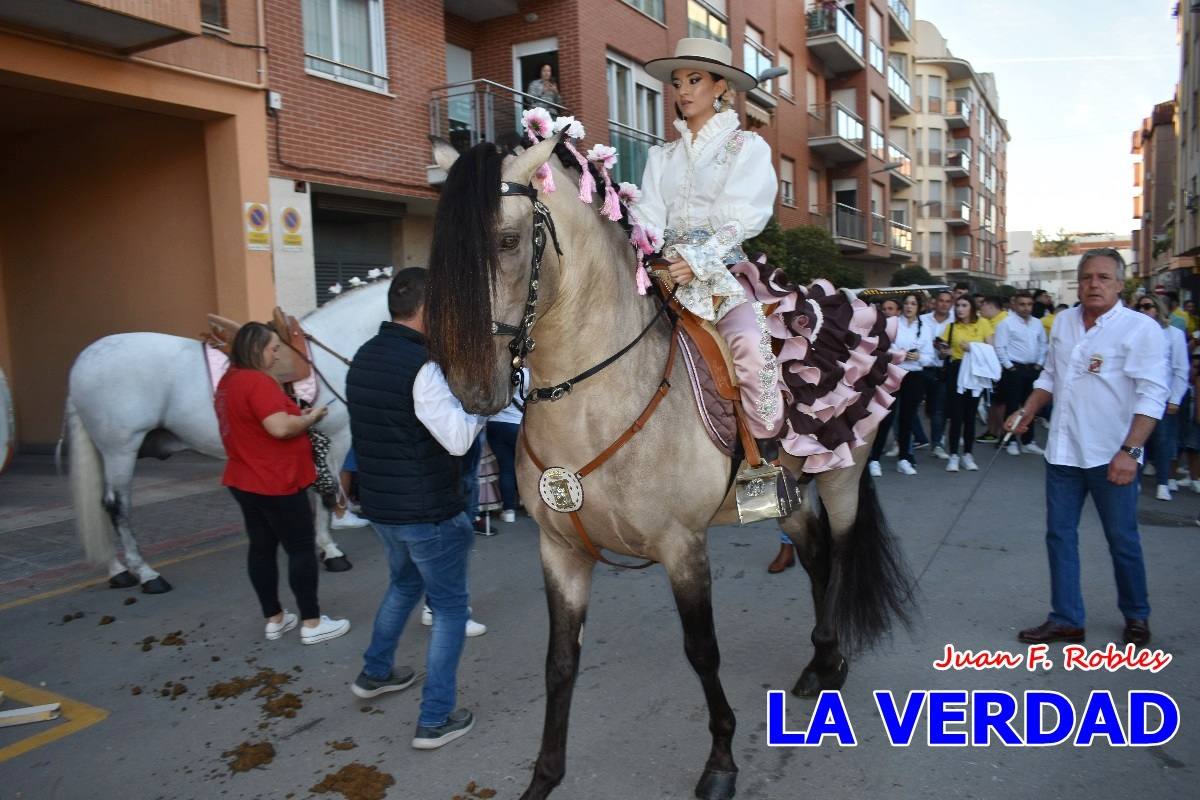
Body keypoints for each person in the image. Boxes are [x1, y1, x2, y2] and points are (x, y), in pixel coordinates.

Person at [638, 38, 903, 489]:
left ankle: (762, 462)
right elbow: (646, 216)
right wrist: (649, 255)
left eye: (695, 80)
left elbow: (745, 215)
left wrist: (696, 259)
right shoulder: (660, 155)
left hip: (719, 273)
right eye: (679, 82)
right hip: (662, 273)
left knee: (747, 341)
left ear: (721, 87)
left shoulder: (747, 147)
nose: (683, 90)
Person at [346, 267, 484, 749]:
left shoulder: (364, 357)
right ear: (429, 310)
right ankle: (435, 717)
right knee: (448, 610)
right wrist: (483, 402)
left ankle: (375, 672)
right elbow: (459, 438)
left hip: (383, 510)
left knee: (404, 584)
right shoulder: (424, 366)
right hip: (429, 512)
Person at [1008, 249, 1166, 647]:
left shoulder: (1139, 329)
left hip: (1111, 456)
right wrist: (1027, 412)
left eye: (1103, 277)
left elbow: (1152, 396)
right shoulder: (1063, 321)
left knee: (1122, 540)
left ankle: (1136, 614)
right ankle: (1066, 618)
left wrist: (1130, 453)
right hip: (1063, 453)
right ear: (1078, 283)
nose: (1094, 284)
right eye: (1086, 278)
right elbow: (1050, 375)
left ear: (1120, 284)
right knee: (1059, 536)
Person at [214, 322, 351, 645]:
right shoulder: (258, 382)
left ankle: (274, 618)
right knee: (301, 549)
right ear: (255, 349)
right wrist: (310, 418)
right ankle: (312, 623)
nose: (276, 356)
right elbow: (279, 428)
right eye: (273, 349)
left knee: (261, 548)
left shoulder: (228, 381)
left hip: (244, 478)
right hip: (276, 480)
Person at [1136, 294, 1188, 501]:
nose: (1143, 310)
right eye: (1140, 307)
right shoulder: (1134, 333)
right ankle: (1135, 479)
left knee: (1163, 442)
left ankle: (1163, 482)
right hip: (1137, 397)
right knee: (1136, 442)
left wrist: (1175, 398)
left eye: (1148, 306)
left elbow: (1180, 369)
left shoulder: (1173, 334)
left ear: (1157, 308)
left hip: (1162, 398)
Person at [936, 295, 993, 472]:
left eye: (964, 305)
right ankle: (953, 455)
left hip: (975, 372)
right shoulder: (951, 326)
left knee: (970, 416)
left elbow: (991, 349)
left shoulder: (983, 323)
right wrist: (944, 351)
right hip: (956, 370)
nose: (960, 309)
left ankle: (968, 454)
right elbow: (941, 352)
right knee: (956, 415)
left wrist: (973, 348)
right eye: (958, 305)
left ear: (972, 307)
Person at [993, 290, 1047, 456]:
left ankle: (1027, 441)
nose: (1026, 308)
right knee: (1012, 404)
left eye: (1029, 304)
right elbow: (999, 347)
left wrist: (1039, 364)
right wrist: (1009, 367)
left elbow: (1043, 344)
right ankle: (1008, 440)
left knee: (1029, 406)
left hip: (1032, 369)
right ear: (1015, 304)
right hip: (1014, 369)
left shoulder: (1037, 323)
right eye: (1022, 304)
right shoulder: (1007, 323)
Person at [888, 293, 938, 475]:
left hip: (914, 375)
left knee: (907, 417)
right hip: (893, 372)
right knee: (886, 417)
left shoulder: (924, 328)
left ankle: (904, 457)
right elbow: (884, 347)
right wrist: (898, 353)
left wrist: (919, 357)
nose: (909, 307)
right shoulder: (893, 324)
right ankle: (874, 459)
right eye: (907, 303)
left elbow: (930, 357)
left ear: (919, 307)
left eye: (913, 304)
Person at [486, 369, 526, 524]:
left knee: (506, 468)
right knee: (523, 467)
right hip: (517, 425)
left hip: (495, 423)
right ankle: (528, 506)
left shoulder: (496, 374)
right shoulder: (526, 375)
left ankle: (508, 510)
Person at [920, 289, 954, 459]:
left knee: (938, 410)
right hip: (920, 368)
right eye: (941, 300)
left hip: (942, 370)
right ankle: (904, 440)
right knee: (909, 408)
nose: (944, 304)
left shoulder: (955, 322)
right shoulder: (923, 320)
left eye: (948, 301)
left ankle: (937, 444)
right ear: (935, 302)